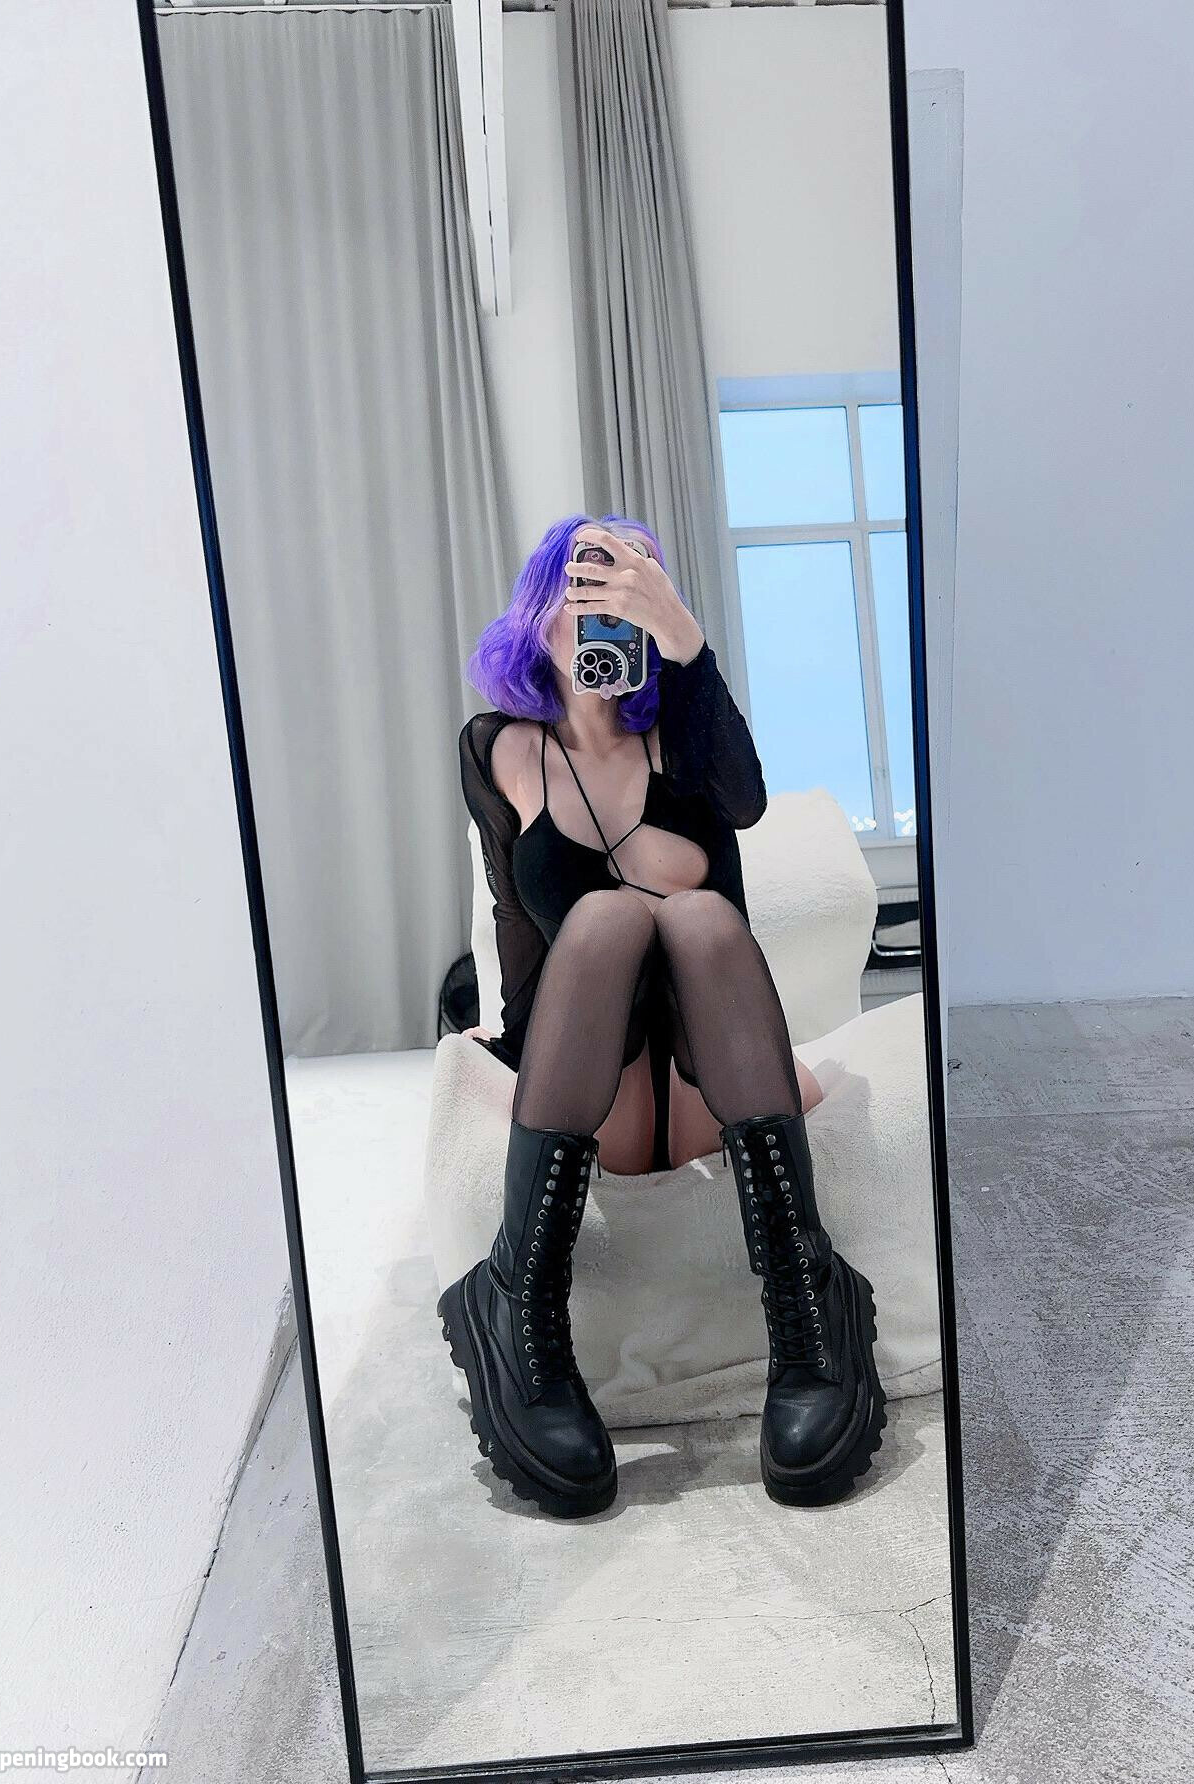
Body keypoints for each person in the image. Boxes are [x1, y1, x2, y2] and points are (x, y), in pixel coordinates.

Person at [437, 514, 884, 1518]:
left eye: (625, 591)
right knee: (601, 918)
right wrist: (511, 1042)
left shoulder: (683, 730)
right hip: (595, 1096)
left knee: (696, 916)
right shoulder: (499, 749)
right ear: (539, 610)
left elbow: (746, 801)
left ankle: (809, 1314)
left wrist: (686, 645)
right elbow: (515, 917)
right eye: (582, 587)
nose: (601, 609)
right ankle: (520, 1307)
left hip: (703, 1083)